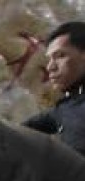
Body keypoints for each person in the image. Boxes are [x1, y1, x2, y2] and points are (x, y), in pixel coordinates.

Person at [25, 22, 85, 154]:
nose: (50, 67)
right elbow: (14, 131)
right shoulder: (65, 108)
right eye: (49, 59)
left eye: (60, 56)